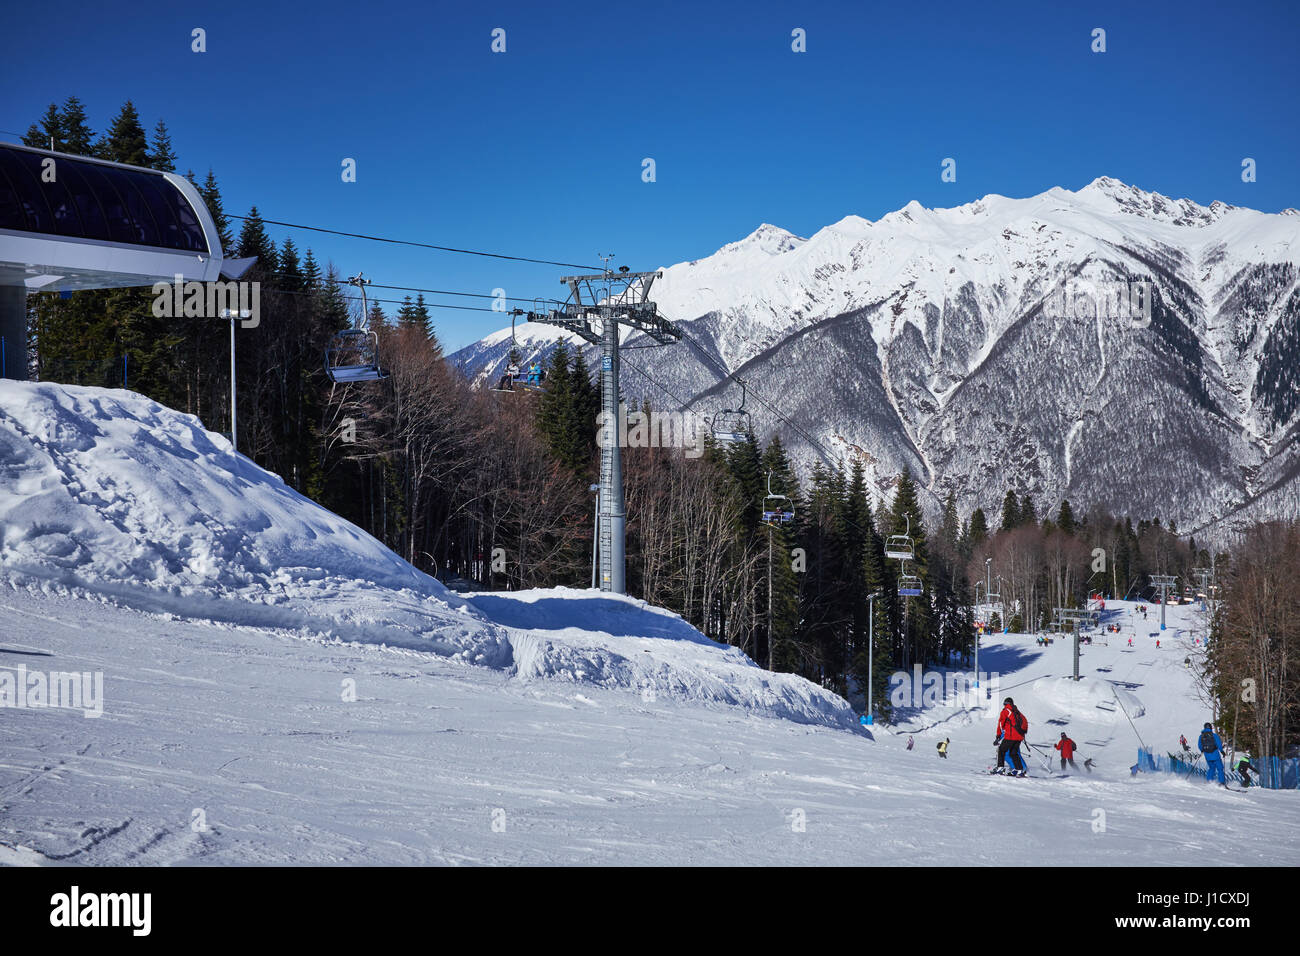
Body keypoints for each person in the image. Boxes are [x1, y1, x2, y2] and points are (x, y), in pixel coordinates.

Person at [995, 697, 1028, 776]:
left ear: (1006, 704)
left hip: (1010, 736)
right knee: (1013, 753)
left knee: (1001, 750)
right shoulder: (1017, 711)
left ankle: (1000, 768)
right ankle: (1019, 770)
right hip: (1019, 737)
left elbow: (1000, 724)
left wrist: (998, 735)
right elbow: (1025, 721)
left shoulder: (1006, 711)